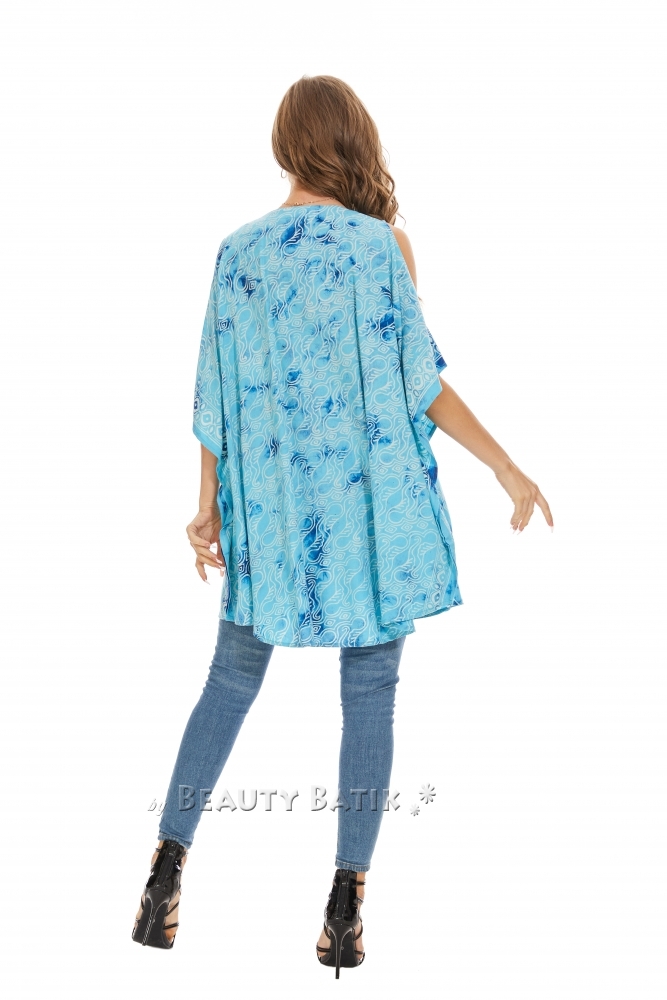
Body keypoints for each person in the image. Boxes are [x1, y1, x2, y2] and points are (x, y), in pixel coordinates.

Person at [131, 74, 553, 975]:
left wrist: (207, 506)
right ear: (353, 141)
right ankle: (344, 906)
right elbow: (419, 385)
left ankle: (164, 871)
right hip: (366, 517)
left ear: (285, 146)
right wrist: (504, 466)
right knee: (370, 694)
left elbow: (216, 396)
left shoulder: (236, 252)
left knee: (227, 682)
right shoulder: (382, 248)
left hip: (273, 517)